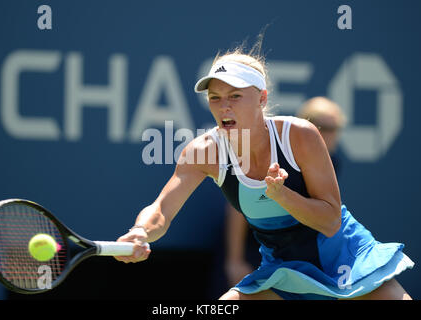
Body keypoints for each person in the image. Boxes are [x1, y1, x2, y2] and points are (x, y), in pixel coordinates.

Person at [114, 43, 414, 300]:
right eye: (215, 98)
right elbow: (161, 210)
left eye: (235, 96)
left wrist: (283, 196)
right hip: (284, 270)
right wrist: (140, 232)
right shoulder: (202, 151)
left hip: (348, 257)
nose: (223, 107)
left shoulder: (300, 135)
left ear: (262, 99)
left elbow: (330, 221)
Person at [223, 96, 347, 289]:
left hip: (297, 253)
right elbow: (239, 209)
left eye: (334, 128)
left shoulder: (334, 161)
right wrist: (235, 260)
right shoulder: (278, 151)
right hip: (256, 247)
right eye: (322, 127)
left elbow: (328, 216)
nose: (328, 134)